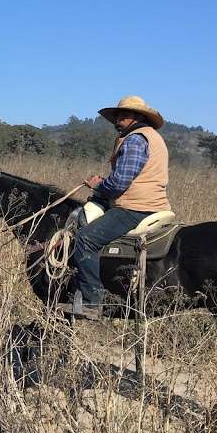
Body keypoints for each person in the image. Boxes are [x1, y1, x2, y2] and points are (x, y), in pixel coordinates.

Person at [66, 95, 171, 320]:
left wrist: (98, 185)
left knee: (85, 239)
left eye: (123, 114)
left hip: (135, 207)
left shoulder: (134, 140)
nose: (117, 119)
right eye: (117, 115)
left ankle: (92, 301)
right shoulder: (153, 137)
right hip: (152, 202)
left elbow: (120, 182)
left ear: (137, 117)